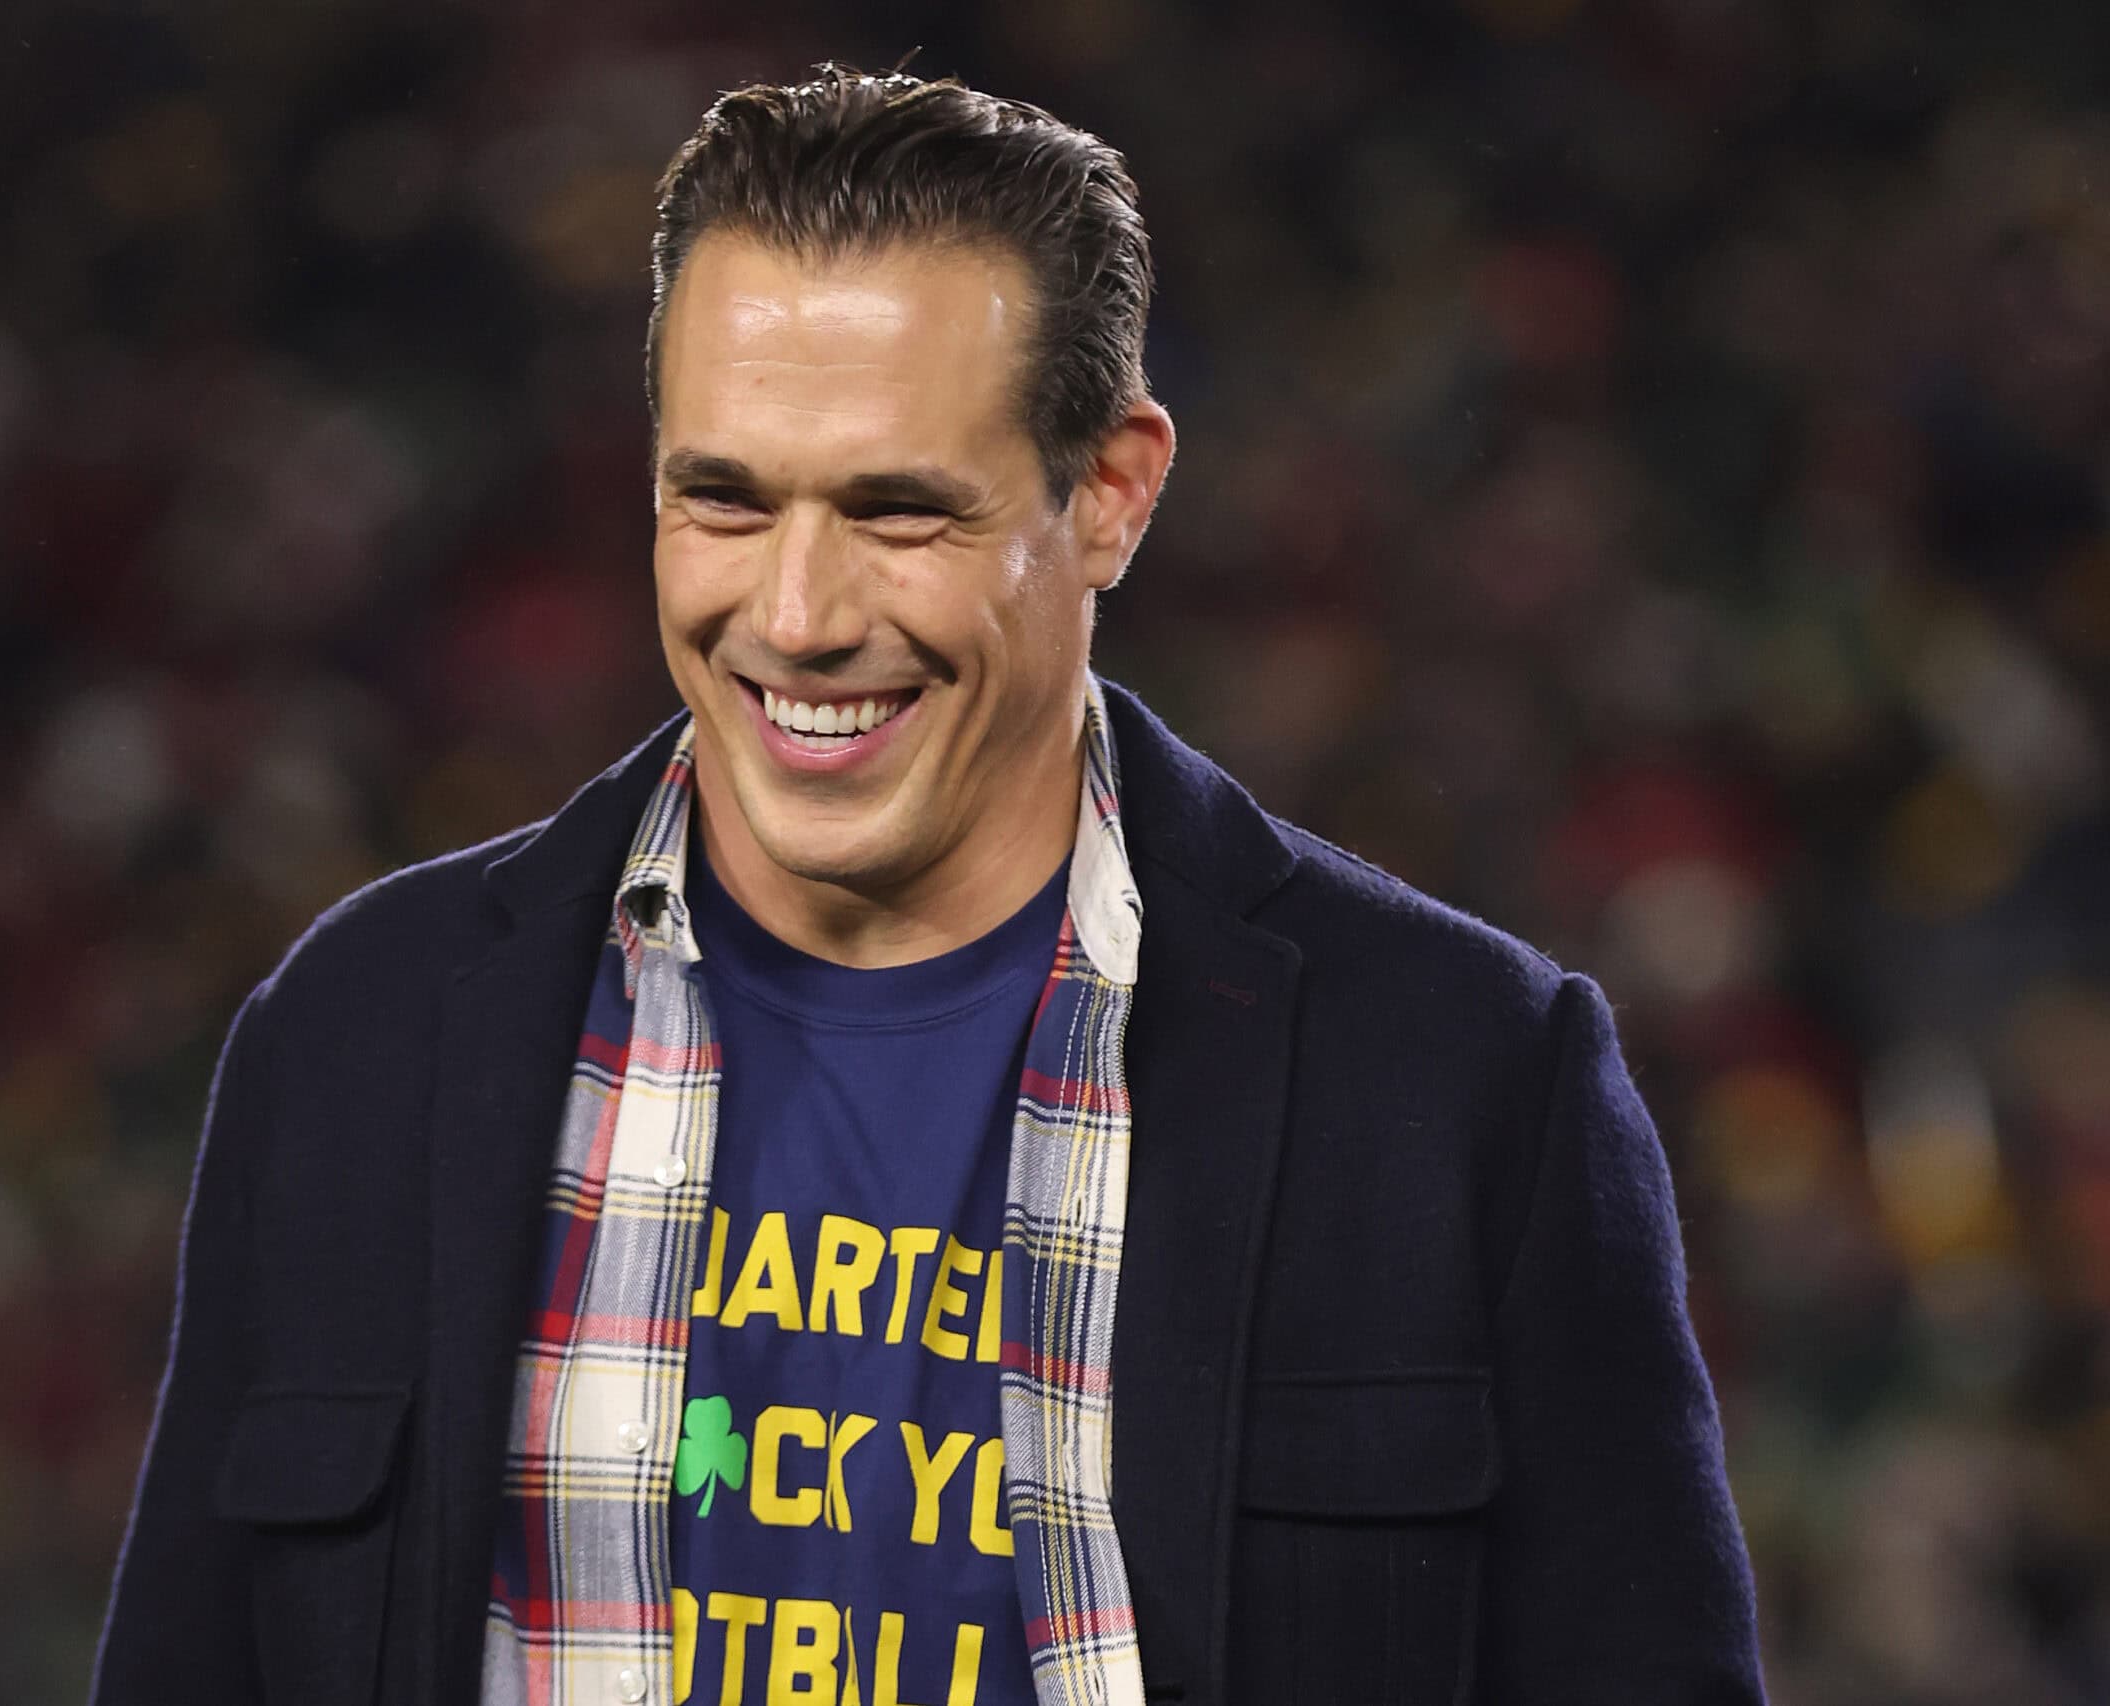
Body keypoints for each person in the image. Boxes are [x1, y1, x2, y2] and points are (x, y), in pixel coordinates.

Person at [91, 66, 1764, 1706]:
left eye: (898, 511)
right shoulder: (353, 1039)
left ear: (1109, 490)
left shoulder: (1469, 1079)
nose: (801, 613)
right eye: (724, 499)